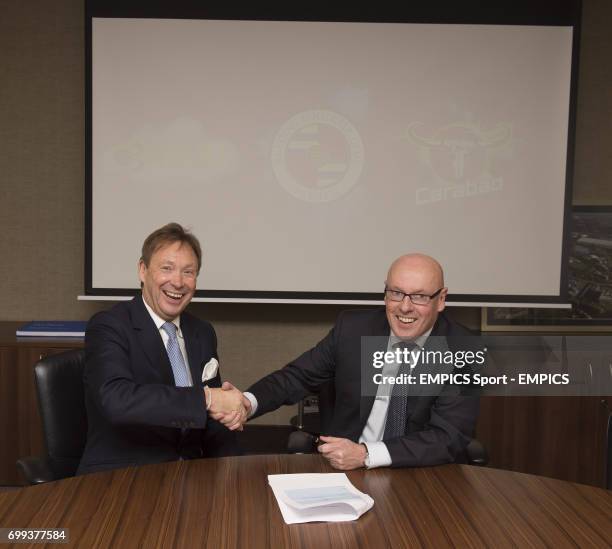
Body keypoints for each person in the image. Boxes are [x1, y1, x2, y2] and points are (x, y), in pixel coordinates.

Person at [241, 254, 480, 470]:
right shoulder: (353, 329)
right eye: (396, 293)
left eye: (419, 296)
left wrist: (366, 454)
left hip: (422, 473)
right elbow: (297, 377)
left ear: (441, 299)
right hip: (345, 471)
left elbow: (448, 437)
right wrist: (246, 403)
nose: (405, 307)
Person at [77, 223, 245, 475]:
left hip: (192, 476)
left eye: (188, 272)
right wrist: (207, 399)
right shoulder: (109, 326)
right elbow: (116, 399)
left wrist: (235, 470)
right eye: (167, 268)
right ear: (142, 270)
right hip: (123, 475)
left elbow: (211, 424)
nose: (177, 282)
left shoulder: (202, 332)